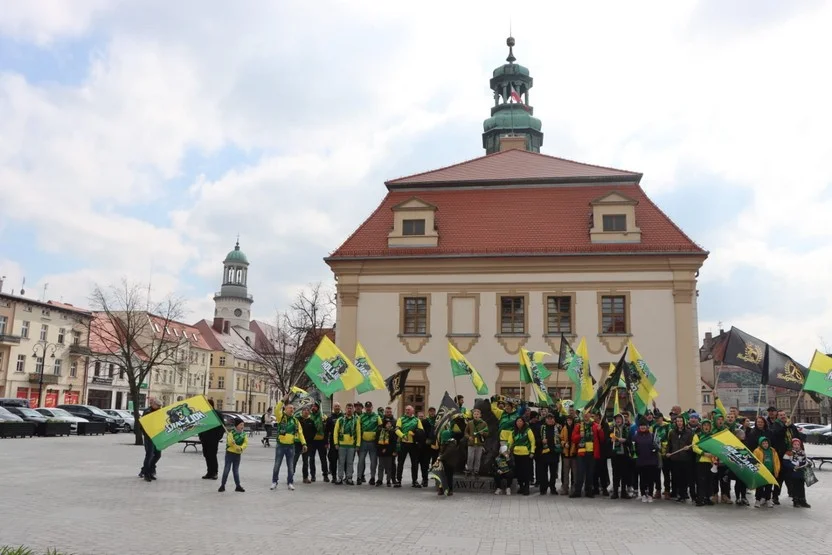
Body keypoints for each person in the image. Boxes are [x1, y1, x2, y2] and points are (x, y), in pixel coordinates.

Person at [270, 396, 307, 491]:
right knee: (277, 464)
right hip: (280, 445)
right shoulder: (281, 417)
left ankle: (290, 482)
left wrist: (304, 444)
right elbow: (277, 409)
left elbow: (300, 433)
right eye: (290, 408)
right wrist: (282, 400)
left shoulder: (295, 420)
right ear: (285, 409)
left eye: (293, 408)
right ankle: (274, 481)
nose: (292, 409)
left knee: (290, 465)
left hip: (291, 446)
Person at [571, 411, 602, 498]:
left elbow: (602, 439)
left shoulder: (595, 426)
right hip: (581, 453)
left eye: (588, 413)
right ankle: (577, 491)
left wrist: (600, 431)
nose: (586, 415)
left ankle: (589, 491)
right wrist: (580, 436)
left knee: (590, 473)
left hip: (592, 453)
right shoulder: (578, 426)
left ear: (590, 415)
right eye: (584, 413)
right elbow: (573, 438)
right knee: (580, 473)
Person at [395, 405, 424, 488]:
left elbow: (421, 431)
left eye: (409, 410)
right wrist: (403, 435)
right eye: (406, 409)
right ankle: (398, 480)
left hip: (413, 444)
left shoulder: (417, 420)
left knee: (414, 463)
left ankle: (414, 481)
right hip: (403, 443)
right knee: (400, 462)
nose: (407, 411)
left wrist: (415, 434)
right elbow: (396, 429)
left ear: (413, 411)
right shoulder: (401, 419)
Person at [333, 403, 361, 485]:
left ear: (353, 409)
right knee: (341, 462)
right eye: (348, 408)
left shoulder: (356, 420)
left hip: (351, 445)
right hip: (342, 445)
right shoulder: (340, 420)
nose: (349, 410)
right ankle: (340, 478)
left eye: (351, 408)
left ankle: (349, 478)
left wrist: (358, 444)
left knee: (350, 462)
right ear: (345, 409)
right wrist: (336, 443)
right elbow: (335, 432)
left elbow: (358, 433)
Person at [633, 418, 660, 502]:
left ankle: (650, 494)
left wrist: (655, 449)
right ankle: (643, 494)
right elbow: (633, 448)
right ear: (639, 427)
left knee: (650, 479)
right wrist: (635, 451)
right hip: (641, 460)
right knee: (642, 478)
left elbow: (657, 446)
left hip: (651, 460)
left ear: (647, 427)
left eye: (644, 426)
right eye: (641, 426)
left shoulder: (652, 435)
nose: (643, 427)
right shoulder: (636, 436)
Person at [667, 415, 693, 503]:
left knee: (684, 478)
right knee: (676, 477)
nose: (679, 423)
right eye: (677, 421)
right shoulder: (672, 433)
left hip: (685, 458)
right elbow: (669, 444)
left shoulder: (689, 433)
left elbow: (692, 445)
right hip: (675, 458)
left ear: (684, 422)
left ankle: (684, 494)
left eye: (681, 421)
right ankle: (679, 493)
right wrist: (668, 452)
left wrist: (688, 448)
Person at [218, 417, 248, 493]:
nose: (242, 426)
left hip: (238, 455)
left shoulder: (244, 434)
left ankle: (238, 486)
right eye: (241, 425)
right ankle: (222, 485)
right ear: (237, 425)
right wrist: (234, 445)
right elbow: (229, 443)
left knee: (236, 470)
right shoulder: (231, 434)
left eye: (243, 425)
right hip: (230, 454)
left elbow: (245, 443)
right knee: (226, 469)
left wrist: (241, 448)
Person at [198, 398, 225, 480]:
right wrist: (201, 436)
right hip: (205, 438)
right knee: (206, 455)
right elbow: (200, 426)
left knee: (212, 455)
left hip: (213, 439)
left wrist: (218, 437)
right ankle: (209, 472)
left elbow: (222, 427)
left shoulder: (217, 414)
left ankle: (215, 473)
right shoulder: (203, 414)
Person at [691, 419, 716, 507]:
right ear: (702, 426)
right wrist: (704, 453)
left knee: (709, 481)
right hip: (701, 461)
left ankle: (708, 498)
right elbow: (694, 447)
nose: (706, 427)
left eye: (708, 425)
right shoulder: (697, 435)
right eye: (704, 425)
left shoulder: (713, 436)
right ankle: (700, 499)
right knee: (701, 481)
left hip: (711, 462)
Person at [357, 401, 382, 485]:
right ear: (365, 408)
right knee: (361, 460)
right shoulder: (361, 417)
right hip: (363, 442)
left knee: (373, 461)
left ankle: (372, 477)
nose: (368, 408)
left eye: (370, 407)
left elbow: (380, 429)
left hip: (373, 443)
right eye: (367, 407)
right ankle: (359, 477)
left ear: (372, 407)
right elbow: (358, 429)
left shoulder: (377, 417)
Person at [510, 416, 535, 496]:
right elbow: (510, 442)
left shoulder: (528, 430)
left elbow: (532, 441)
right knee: (518, 472)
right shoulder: (513, 432)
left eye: (520, 421)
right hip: (516, 454)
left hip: (526, 454)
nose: (519, 423)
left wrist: (532, 452)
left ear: (523, 422)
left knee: (526, 472)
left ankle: (526, 487)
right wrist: (507, 450)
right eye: (517, 421)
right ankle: (521, 486)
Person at [139, 397, 162, 482]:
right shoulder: (148, 412)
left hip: (157, 436)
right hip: (149, 437)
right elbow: (143, 424)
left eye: (160, 406)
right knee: (149, 455)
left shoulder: (159, 411)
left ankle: (149, 470)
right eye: (158, 405)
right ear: (153, 405)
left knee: (157, 455)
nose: (160, 407)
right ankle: (146, 474)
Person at [783, 438, 811, 508]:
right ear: (792, 445)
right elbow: (785, 462)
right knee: (795, 487)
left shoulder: (802, 452)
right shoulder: (789, 453)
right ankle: (796, 501)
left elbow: (805, 460)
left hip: (801, 473)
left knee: (801, 487)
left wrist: (808, 463)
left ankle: (803, 501)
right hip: (793, 473)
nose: (796, 446)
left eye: (798, 444)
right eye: (795, 444)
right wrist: (793, 466)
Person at [753, 436, 780, 508]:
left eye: (766, 443)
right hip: (761, 472)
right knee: (760, 487)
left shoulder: (773, 451)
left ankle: (768, 499)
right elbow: (754, 460)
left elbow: (777, 461)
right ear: (760, 444)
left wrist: (776, 470)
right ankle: (757, 500)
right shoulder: (757, 451)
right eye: (763, 443)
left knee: (769, 487)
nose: (765, 445)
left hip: (770, 472)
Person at [610, 413, 632, 499]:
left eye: (619, 418)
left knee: (624, 474)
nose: (618, 420)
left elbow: (630, 441)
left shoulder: (627, 429)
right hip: (615, 455)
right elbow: (607, 440)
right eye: (616, 419)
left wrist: (625, 441)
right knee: (615, 474)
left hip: (624, 455)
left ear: (622, 420)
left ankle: (623, 492)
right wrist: (610, 440)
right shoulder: (612, 428)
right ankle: (615, 492)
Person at [537, 412, 561, 495]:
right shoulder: (541, 428)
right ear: (545, 419)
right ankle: (543, 488)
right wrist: (541, 441)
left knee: (553, 473)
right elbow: (536, 439)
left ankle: (552, 488)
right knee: (543, 472)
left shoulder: (558, 428)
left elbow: (562, 438)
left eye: (551, 418)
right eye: (548, 418)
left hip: (554, 453)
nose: (550, 420)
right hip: (544, 453)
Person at [464, 408, 489, 476]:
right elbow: (466, 432)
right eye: (474, 414)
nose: (476, 415)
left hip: (479, 443)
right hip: (471, 443)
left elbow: (487, 433)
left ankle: (476, 471)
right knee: (470, 457)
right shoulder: (470, 423)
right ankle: (469, 470)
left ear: (480, 415)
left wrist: (483, 433)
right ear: (473, 415)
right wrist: (469, 437)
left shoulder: (484, 423)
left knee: (478, 458)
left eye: (477, 414)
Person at [296, 408, 317, 484]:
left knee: (305, 461)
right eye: (304, 410)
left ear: (309, 412)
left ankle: (305, 477)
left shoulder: (311, 421)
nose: (306, 411)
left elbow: (314, 432)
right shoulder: (297, 420)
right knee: (294, 461)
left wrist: (308, 440)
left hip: (307, 444)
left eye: (307, 410)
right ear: (302, 412)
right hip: (297, 444)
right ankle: (290, 476)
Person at [437, 429, 460, 496]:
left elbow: (447, 453)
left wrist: (440, 457)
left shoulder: (452, 444)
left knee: (449, 476)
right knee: (442, 476)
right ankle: (442, 489)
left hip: (450, 463)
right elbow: (441, 451)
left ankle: (450, 489)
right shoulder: (445, 443)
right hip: (444, 462)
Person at [653, 413, 671, 499]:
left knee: (666, 473)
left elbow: (670, 439)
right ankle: (658, 490)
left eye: (658, 418)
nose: (657, 420)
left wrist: (667, 449)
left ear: (661, 418)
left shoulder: (667, 426)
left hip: (665, 453)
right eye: (655, 418)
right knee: (656, 473)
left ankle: (667, 490)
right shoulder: (654, 427)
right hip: (657, 453)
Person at [308, 403, 328, 482]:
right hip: (312, 441)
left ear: (318, 408)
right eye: (312, 406)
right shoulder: (309, 416)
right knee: (311, 459)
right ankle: (313, 475)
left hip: (321, 440)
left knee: (323, 459)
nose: (313, 407)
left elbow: (326, 429)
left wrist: (325, 422)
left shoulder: (323, 416)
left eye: (315, 406)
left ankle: (325, 475)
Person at [375, 418, 397, 487]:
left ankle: (388, 480)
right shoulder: (379, 431)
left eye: (390, 423)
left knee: (389, 467)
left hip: (389, 452)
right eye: (387, 424)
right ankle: (380, 480)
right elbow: (377, 441)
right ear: (384, 424)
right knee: (381, 466)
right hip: (381, 451)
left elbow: (394, 443)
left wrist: (393, 451)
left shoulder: (392, 432)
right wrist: (382, 448)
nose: (389, 425)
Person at [559, 414, 577, 495]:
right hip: (566, 454)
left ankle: (574, 487)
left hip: (574, 454)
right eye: (568, 420)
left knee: (574, 472)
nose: (569, 422)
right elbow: (561, 439)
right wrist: (564, 444)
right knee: (565, 473)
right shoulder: (564, 428)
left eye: (570, 420)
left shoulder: (576, 428)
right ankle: (565, 488)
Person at [324, 402, 342, 484]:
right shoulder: (330, 418)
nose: (337, 407)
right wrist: (326, 442)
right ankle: (334, 476)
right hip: (332, 441)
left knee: (342, 460)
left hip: (343, 441)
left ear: (340, 407)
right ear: (333, 408)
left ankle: (342, 477)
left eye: (338, 406)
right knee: (333, 459)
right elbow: (326, 431)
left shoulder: (343, 417)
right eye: (336, 406)